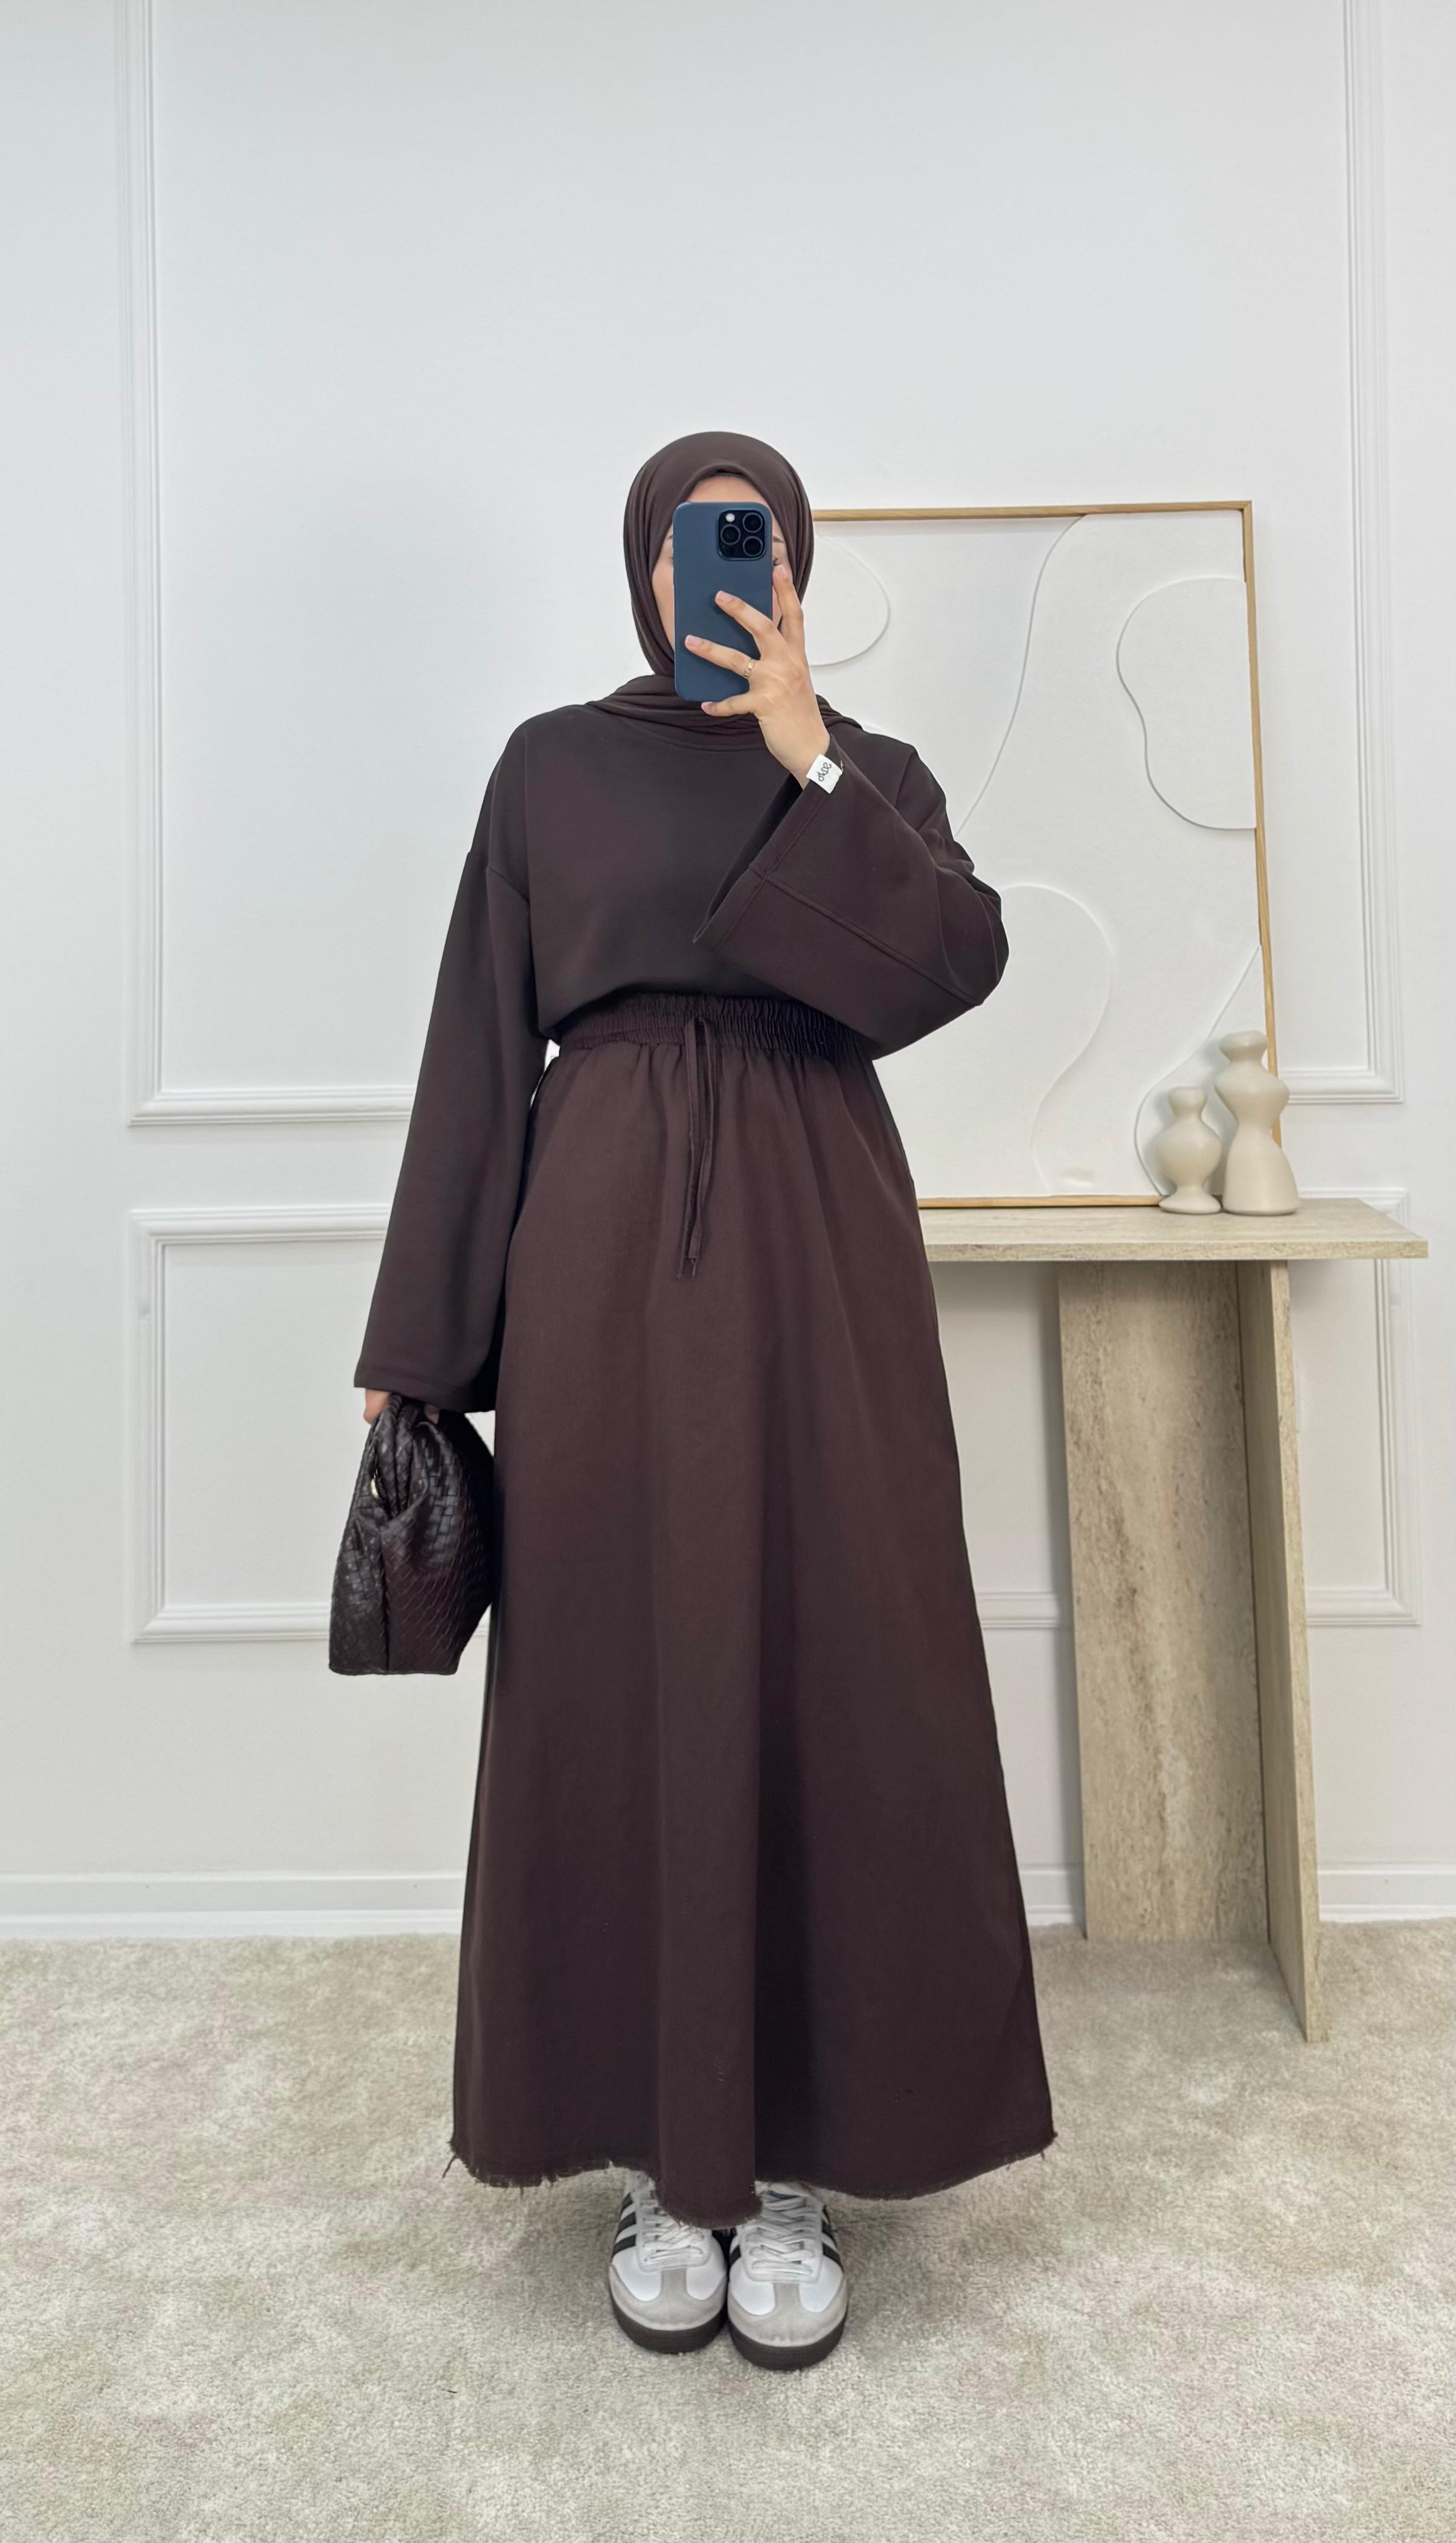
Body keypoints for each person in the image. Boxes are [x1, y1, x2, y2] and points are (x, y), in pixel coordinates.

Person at [354, 429, 1056, 2370]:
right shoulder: (548, 767)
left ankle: (799, 2158)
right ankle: (667, 2164)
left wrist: (805, 751)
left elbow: (953, 958)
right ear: (640, 567)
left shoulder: (867, 769)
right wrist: (420, 1338)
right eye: (685, 544)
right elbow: (477, 1043)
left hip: (823, 1247)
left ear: (792, 567)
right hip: (596, 1256)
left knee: (840, 1659)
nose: (713, 574)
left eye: (747, 544)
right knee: (615, 1664)